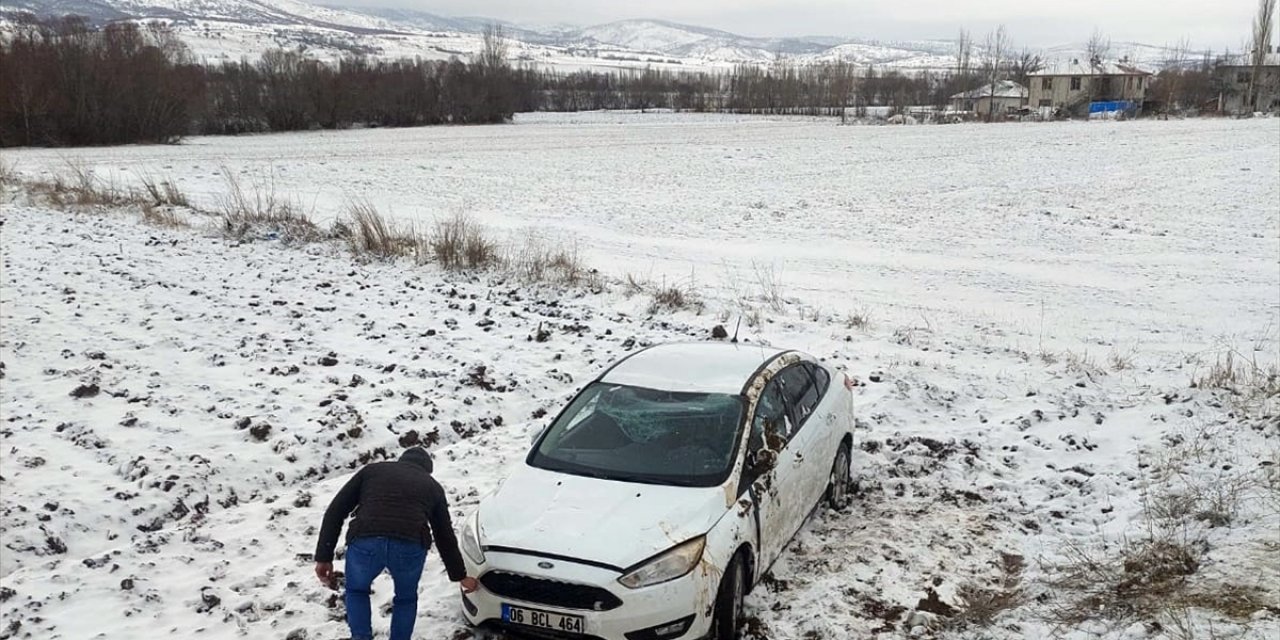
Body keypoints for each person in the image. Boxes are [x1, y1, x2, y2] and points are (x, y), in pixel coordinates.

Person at [314, 447, 479, 640]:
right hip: (409, 546)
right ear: (427, 470)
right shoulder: (432, 486)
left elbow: (335, 511)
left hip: (366, 541)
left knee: (357, 591)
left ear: (401, 460)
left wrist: (323, 557)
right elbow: (444, 535)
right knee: (406, 599)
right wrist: (460, 576)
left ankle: (360, 637)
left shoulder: (371, 471)